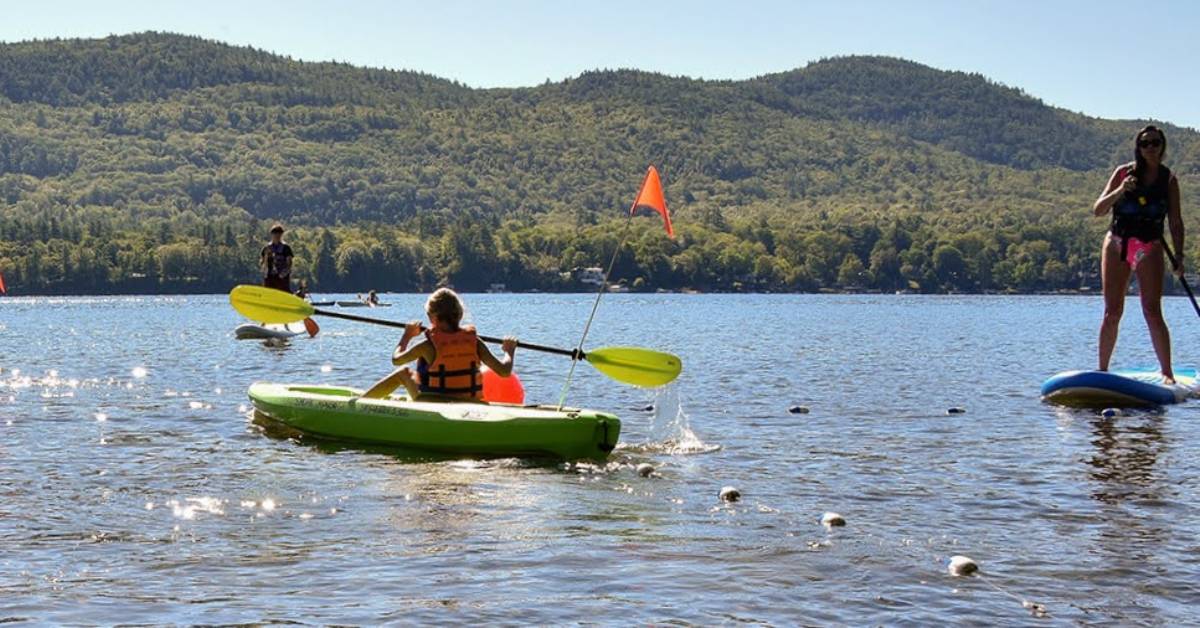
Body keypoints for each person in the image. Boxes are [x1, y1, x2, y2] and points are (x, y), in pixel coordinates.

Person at [1093, 125, 1184, 382]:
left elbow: (1176, 223)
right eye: (1145, 144)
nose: (1150, 148)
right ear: (1138, 147)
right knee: (1112, 311)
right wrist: (1121, 189)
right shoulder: (1123, 173)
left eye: (1155, 143)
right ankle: (1102, 370)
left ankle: (1167, 373)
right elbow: (1098, 209)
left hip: (1150, 247)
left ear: (1162, 146)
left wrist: (1179, 256)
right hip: (1117, 244)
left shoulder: (1168, 180)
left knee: (1152, 311)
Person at [362, 288, 517, 401]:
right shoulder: (475, 342)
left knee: (404, 372)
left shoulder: (427, 345)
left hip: (436, 405)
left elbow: (396, 359)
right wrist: (509, 351)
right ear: (460, 314)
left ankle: (361, 404)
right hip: (471, 402)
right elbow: (504, 371)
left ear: (431, 317)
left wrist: (407, 335)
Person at [260, 224, 293, 293]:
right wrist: (266, 257)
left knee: (284, 291)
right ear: (271, 235)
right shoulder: (266, 248)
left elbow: (289, 263)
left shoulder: (286, 248)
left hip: (282, 276)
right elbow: (262, 263)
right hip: (269, 276)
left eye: (279, 234)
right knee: (268, 291)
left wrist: (284, 273)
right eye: (275, 234)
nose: (277, 236)